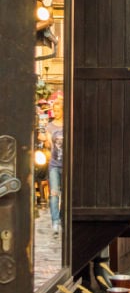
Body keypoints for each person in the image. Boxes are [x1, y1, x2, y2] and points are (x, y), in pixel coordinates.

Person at [43, 93, 64, 234]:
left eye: (58, 110)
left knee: (67, 195)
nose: (55, 113)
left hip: (67, 165)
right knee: (54, 194)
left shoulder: (69, 124)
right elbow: (50, 145)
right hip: (54, 164)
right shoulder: (49, 127)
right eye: (54, 111)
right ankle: (55, 221)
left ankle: (63, 219)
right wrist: (44, 140)